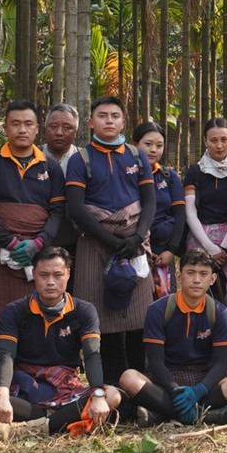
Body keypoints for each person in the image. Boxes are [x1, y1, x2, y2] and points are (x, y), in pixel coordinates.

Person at [61, 95, 156, 384]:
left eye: (115, 115)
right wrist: (110, 241)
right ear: (90, 122)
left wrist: (137, 236)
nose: (109, 121)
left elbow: (149, 202)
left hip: (134, 244)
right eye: (102, 116)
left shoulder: (137, 156)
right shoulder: (80, 159)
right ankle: (110, 386)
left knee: (140, 315)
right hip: (94, 243)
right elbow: (75, 207)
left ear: (124, 121)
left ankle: (140, 384)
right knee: (99, 317)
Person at [0, 100, 66, 389]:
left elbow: (57, 212)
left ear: (37, 129)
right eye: (15, 123)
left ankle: (28, 387)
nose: (22, 129)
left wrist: (37, 244)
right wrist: (11, 243)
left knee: (32, 320)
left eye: (28, 124)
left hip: (36, 257)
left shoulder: (50, 167)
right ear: (5, 127)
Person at [0, 245, 118, 437]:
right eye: (44, 275)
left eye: (57, 275)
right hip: (25, 388)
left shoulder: (84, 310)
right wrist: (1, 396)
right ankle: (61, 418)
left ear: (68, 274)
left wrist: (98, 395)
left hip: (66, 386)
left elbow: (92, 355)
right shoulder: (15, 310)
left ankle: (35, 427)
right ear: (33, 274)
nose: (51, 282)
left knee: (112, 395)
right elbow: (6, 356)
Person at [119, 248, 227, 426]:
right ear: (179, 277)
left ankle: (161, 414)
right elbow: (155, 362)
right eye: (191, 273)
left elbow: (220, 364)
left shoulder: (220, 313)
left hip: (203, 376)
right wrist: (175, 391)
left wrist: (198, 391)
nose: (196, 280)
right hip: (166, 377)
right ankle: (206, 415)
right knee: (128, 378)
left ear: (212, 279)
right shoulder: (157, 310)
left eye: (203, 274)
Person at [183, 118, 227, 329]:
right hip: (200, 240)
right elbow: (190, 211)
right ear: (205, 141)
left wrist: (224, 246)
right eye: (213, 140)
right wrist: (209, 247)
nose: (219, 145)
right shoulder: (194, 172)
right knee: (198, 295)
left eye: (224, 140)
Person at [137, 121, 183, 298]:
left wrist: (171, 250)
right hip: (135, 250)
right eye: (147, 144)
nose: (153, 150)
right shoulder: (127, 174)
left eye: (159, 145)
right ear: (135, 144)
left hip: (163, 253)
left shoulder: (169, 176)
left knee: (165, 304)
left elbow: (179, 215)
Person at [42, 103, 80, 168]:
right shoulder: (32, 156)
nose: (59, 133)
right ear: (45, 129)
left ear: (75, 132)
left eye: (67, 127)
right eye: (54, 126)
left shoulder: (86, 159)